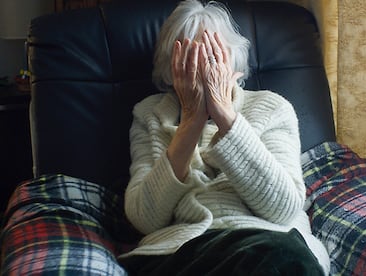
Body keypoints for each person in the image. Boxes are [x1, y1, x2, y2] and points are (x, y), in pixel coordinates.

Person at [118, 0, 330, 275]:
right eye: (191, 60)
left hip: (272, 245)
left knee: (285, 258)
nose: (204, 70)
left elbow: (285, 208)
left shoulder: (272, 108)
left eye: (214, 57)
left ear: (234, 62)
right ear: (171, 71)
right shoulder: (150, 115)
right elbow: (144, 218)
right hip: (182, 251)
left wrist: (225, 117)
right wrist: (191, 122)